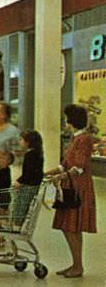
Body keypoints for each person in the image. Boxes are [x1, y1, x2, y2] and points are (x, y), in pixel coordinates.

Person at [45, 104, 97, 278]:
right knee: (70, 227)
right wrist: (47, 173)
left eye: (66, 117)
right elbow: (66, 164)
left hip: (78, 188)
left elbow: (80, 167)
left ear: (71, 119)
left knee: (72, 227)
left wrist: (61, 177)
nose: (64, 120)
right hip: (71, 186)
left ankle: (78, 266)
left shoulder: (84, 139)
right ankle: (75, 264)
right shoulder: (75, 139)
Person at [12, 130, 44, 228]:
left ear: (28, 141)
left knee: (20, 208)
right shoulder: (38, 154)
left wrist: (19, 181)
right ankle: (16, 226)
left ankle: (16, 226)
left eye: (22, 139)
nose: (20, 142)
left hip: (28, 187)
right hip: (33, 186)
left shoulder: (30, 155)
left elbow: (28, 173)